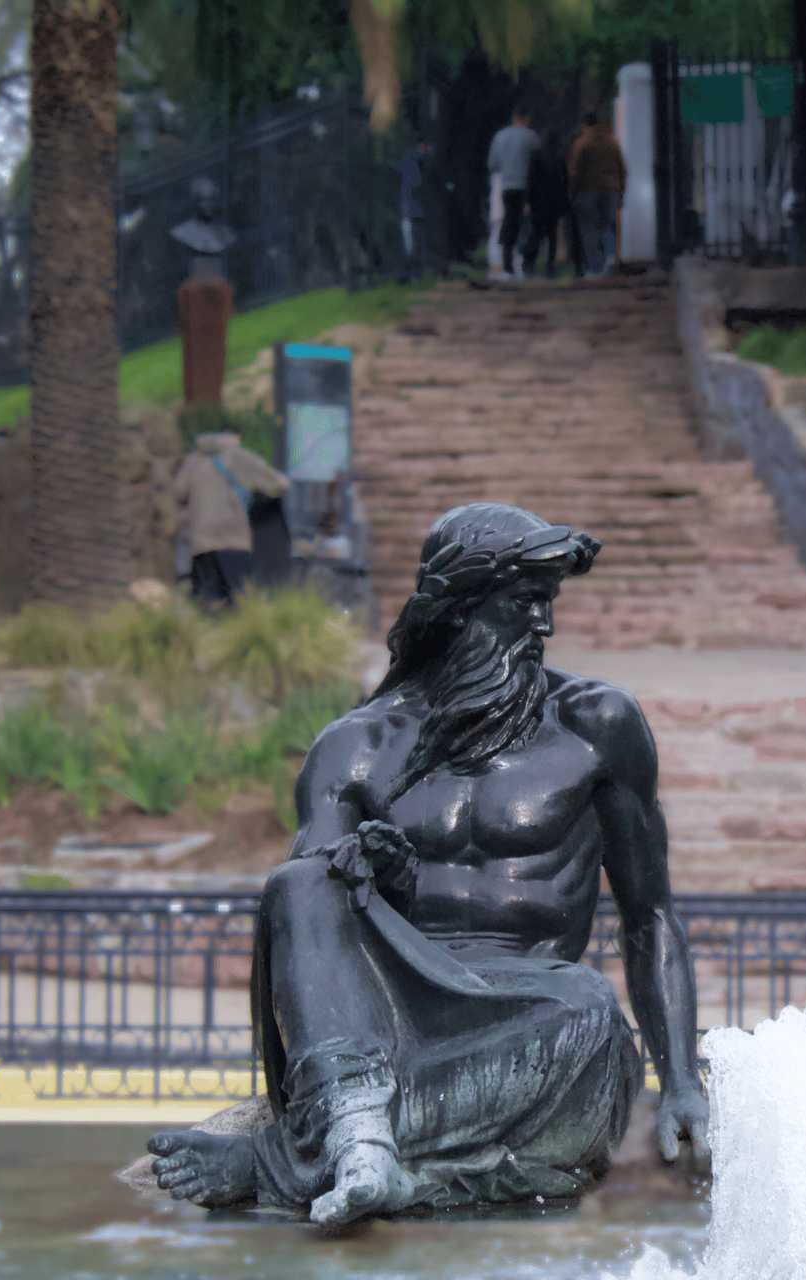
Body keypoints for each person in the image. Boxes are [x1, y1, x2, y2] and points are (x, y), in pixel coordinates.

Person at [146, 503, 711, 1227]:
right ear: (455, 609)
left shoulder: (597, 725)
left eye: (549, 603)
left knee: (593, 1016)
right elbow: (309, 929)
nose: (543, 626)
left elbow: (650, 913)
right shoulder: (355, 746)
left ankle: (290, 1157)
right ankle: (358, 1140)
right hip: (394, 1027)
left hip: (535, 1016)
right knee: (302, 878)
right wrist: (371, 875)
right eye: (522, 604)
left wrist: (684, 1082)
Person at [171, 429, 290, 607]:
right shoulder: (240, 457)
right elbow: (278, 485)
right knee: (238, 603)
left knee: (207, 604)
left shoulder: (192, 461)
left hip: (202, 543)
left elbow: (178, 492)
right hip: (234, 541)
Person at [569, 111, 625, 277]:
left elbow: (576, 172)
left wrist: (572, 193)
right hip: (611, 190)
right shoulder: (612, 142)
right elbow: (622, 168)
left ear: (583, 126)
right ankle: (610, 260)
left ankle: (595, 268)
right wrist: (621, 192)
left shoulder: (581, 143)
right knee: (608, 227)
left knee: (590, 229)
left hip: (589, 191)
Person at [486, 108, 541, 278]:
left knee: (508, 224)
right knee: (525, 226)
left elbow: (492, 164)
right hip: (526, 186)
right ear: (525, 118)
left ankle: (507, 265)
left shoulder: (499, 136)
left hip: (507, 186)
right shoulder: (531, 136)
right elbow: (538, 162)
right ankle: (524, 265)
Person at [522, 129, 572, 279]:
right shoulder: (560, 157)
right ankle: (549, 267)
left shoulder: (536, 155)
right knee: (552, 237)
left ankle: (529, 263)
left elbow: (531, 179)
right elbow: (565, 182)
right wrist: (566, 204)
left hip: (538, 202)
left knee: (536, 233)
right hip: (554, 203)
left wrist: (527, 201)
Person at [399, 140, 433, 283]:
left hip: (411, 210)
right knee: (414, 244)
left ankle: (416, 274)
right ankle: (414, 274)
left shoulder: (411, 161)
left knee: (414, 244)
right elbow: (415, 184)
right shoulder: (413, 162)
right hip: (412, 211)